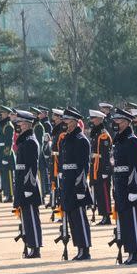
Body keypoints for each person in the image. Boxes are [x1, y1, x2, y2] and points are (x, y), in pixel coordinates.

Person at [112, 108, 137, 265]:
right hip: (119, 182)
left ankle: (135, 252)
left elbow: (133, 167)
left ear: (125, 121)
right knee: (124, 220)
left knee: (131, 220)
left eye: (119, 120)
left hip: (128, 184)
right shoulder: (118, 139)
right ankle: (128, 251)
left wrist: (133, 188)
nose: (116, 123)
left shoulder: (132, 140)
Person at [60, 108, 93, 260]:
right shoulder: (67, 138)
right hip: (67, 182)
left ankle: (85, 249)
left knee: (79, 218)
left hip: (76, 184)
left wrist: (81, 187)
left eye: (67, 120)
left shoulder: (81, 140)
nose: (65, 123)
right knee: (72, 219)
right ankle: (79, 248)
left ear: (74, 121)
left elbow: (83, 167)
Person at [13, 110, 42, 258]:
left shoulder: (30, 141)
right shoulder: (24, 140)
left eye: (20, 122)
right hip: (21, 182)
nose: (17, 125)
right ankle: (31, 245)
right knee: (26, 218)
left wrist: (29, 186)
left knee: (31, 217)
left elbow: (32, 166)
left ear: (27, 124)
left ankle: (35, 247)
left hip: (27, 184)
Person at [88, 109, 113, 226]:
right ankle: (102, 214)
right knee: (98, 192)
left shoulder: (103, 134)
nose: (91, 121)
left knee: (104, 192)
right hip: (95, 166)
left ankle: (107, 215)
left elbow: (107, 154)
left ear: (99, 119)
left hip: (101, 166)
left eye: (93, 118)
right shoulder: (96, 133)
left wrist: (106, 169)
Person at [0, 106, 15, 203]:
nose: (1, 114)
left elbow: (8, 143)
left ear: (7, 114)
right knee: (3, 175)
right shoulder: (2, 125)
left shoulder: (8, 126)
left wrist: (6, 157)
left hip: (6, 155)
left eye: (3, 113)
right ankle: (6, 193)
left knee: (8, 175)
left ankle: (10, 194)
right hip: (0, 153)